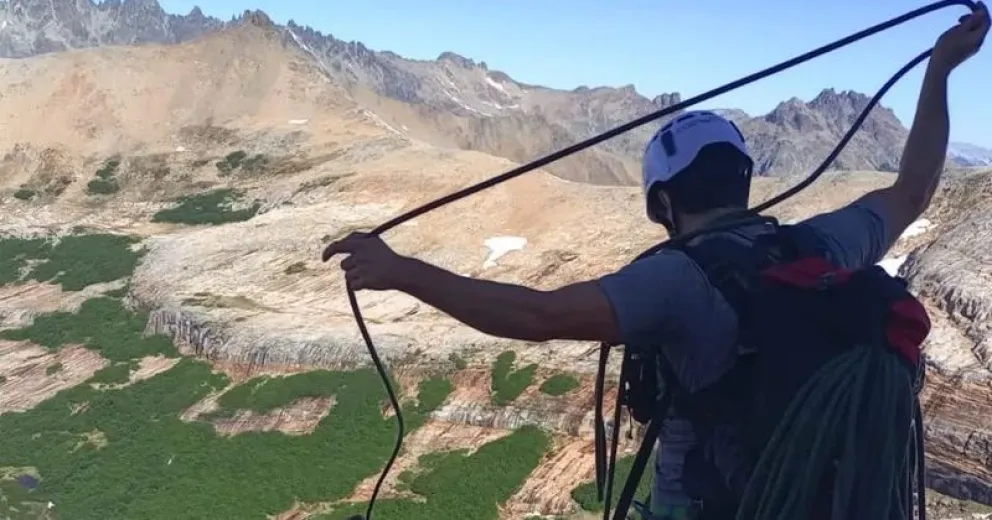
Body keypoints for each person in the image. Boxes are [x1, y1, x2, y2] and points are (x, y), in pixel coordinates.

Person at [325, 5, 988, 519]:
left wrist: (402, 270)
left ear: (661, 204)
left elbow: (535, 314)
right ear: (745, 180)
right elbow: (913, 191)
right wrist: (941, 69)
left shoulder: (674, 282)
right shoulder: (819, 247)